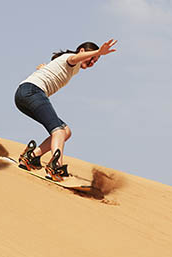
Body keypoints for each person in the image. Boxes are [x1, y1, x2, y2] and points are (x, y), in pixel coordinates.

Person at [14, 39, 117, 181]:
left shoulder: (71, 67)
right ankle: (55, 166)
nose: (93, 62)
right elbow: (73, 58)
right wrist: (99, 51)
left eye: (96, 61)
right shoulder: (71, 59)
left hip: (24, 96)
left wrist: (44, 67)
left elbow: (55, 68)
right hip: (32, 91)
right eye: (92, 58)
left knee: (66, 131)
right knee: (58, 130)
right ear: (82, 51)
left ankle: (32, 157)